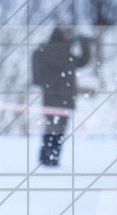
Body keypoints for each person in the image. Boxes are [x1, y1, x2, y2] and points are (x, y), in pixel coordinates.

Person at [31, 25, 92, 166]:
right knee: (54, 130)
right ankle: (49, 160)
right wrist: (74, 43)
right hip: (55, 99)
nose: (69, 36)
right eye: (66, 34)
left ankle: (49, 159)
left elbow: (83, 61)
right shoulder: (53, 51)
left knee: (56, 130)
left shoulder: (65, 53)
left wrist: (85, 44)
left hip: (63, 100)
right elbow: (61, 59)